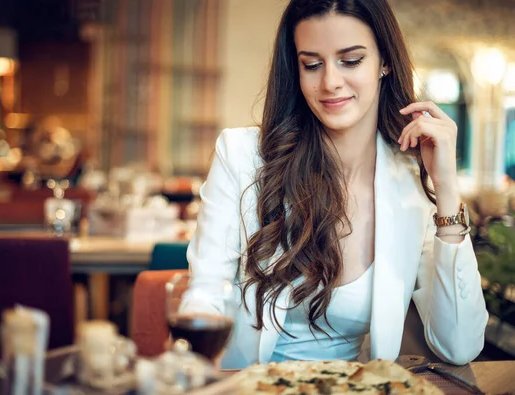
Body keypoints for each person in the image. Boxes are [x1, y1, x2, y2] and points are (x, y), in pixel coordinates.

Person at [186, 0, 488, 369]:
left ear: (385, 62)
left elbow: (459, 346)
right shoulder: (242, 156)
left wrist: (446, 190)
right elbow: (205, 295)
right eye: (311, 64)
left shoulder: (410, 186)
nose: (330, 82)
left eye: (351, 60)